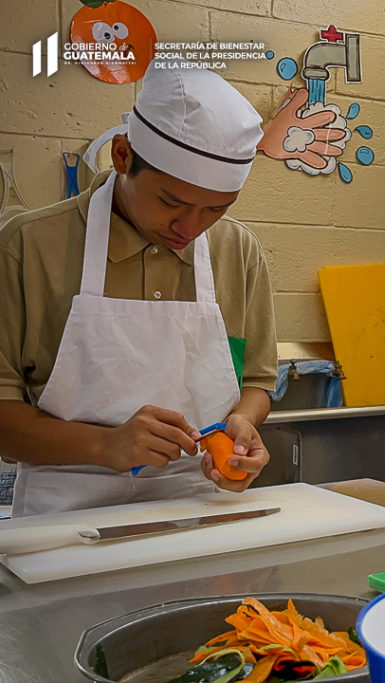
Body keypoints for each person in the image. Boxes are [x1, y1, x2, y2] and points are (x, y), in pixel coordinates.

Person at [0, 62, 278, 516]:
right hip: (65, 520)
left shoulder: (238, 251)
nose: (190, 227)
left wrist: (242, 424)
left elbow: (258, 381)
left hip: (201, 509)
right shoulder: (28, 246)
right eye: (171, 201)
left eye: (216, 209)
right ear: (122, 155)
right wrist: (106, 445)